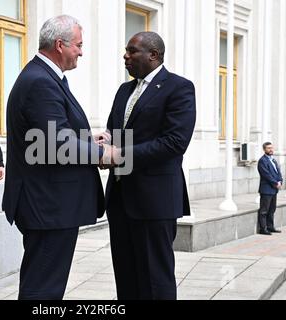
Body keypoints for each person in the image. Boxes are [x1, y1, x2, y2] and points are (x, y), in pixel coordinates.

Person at [2, 15, 110, 300]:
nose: (82, 52)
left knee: (45, 284)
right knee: (43, 289)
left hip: (49, 203)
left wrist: (87, 140)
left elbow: (52, 133)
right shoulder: (41, 81)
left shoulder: (46, 77)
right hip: (47, 205)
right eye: (79, 45)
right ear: (60, 45)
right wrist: (102, 154)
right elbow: (57, 142)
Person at [103, 32, 196, 300]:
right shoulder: (124, 90)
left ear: (153, 55)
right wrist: (103, 141)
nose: (125, 55)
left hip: (155, 200)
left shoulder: (179, 88)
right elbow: (115, 130)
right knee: (126, 275)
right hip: (120, 199)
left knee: (156, 278)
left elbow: (174, 143)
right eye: (126, 50)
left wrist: (118, 154)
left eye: (132, 51)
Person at [257, 142, 283, 235]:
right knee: (264, 210)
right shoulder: (262, 161)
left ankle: (270, 227)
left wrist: (280, 181)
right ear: (264, 149)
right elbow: (266, 175)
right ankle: (263, 229)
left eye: (271, 148)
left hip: (274, 189)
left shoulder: (273, 160)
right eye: (268, 148)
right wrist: (275, 183)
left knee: (272, 209)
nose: (271, 149)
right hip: (266, 189)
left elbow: (278, 172)